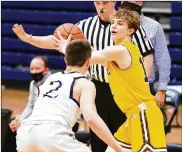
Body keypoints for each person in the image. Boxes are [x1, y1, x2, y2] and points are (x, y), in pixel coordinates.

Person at [12, 1, 154, 151]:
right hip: (98, 86)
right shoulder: (85, 26)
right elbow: (57, 39)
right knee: (99, 141)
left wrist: (140, 86)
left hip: (124, 91)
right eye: (97, 3)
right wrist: (29, 38)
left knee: (128, 139)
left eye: (104, 2)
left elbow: (147, 57)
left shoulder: (130, 26)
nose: (101, 6)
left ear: (114, 2)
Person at [55, 9, 167, 152]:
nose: (113, 26)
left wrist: (65, 47)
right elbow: (95, 54)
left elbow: (85, 58)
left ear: (130, 30)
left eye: (120, 24)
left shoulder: (120, 51)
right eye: (112, 22)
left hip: (144, 116)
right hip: (132, 118)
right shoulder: (119, 52)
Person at [16, 40, 123, 152]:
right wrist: (119, 149)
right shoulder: (84, 83)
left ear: (65, 59)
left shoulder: (50, 78)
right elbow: (91, 119)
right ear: (88, 62)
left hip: (25, 134)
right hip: (53, 134)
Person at [120, 0, 171, 108]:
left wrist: (161, 89)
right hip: (119, 86)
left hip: (145, 87)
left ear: (140, 2)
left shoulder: (154, 27)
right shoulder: (115, 24)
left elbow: (163, 59)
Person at [2, 56, 51, 152]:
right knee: (11, 125)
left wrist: (24, 122)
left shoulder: (51, 84)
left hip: (48, 121)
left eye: (37, 69)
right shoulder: (33, 84)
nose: (34, 72)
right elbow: (30, 105)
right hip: (35, 119)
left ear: (46, 70)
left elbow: (45, 111)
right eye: (31, 69)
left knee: (21, 129)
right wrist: (20, 119)